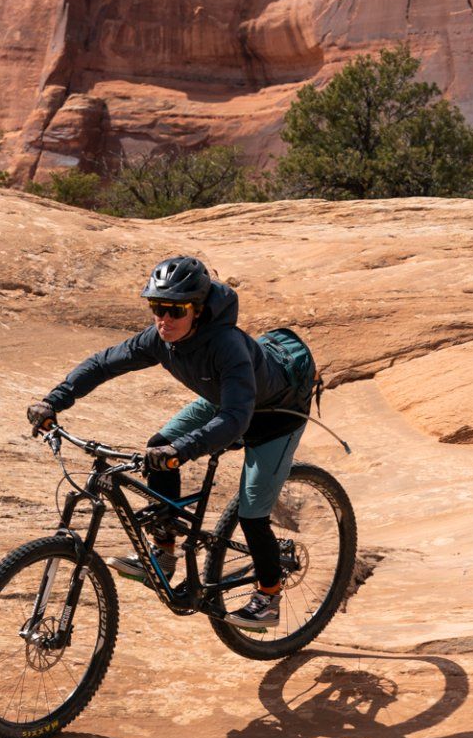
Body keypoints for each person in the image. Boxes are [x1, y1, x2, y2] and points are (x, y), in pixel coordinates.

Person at [26, 256, 311, 630]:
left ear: (198, 311)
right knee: (158, 444)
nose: (165, 319)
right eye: (157, 307)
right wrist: (54, 400)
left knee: (252, 514)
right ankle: (164, 551)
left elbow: (236, 419)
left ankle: (269, 595)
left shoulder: (227, 345)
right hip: (228, 399)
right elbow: (103, 364)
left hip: (275, 414)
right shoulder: (159, 339)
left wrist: (183, 451)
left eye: (176, 310)